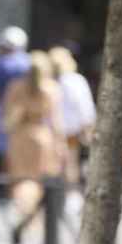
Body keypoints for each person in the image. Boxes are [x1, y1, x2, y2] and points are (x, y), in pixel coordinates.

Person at [4, 50, 66, 214]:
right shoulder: (52, 89)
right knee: (38, 180)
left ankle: (22, 213)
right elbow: (55, 122)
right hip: (42, 136)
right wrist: (60, 144)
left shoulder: (15, 87)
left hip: (20, 136)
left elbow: (10, 120)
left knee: (19, 179)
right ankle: (32, 217)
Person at [0, 26, 31, 171]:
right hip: (29, 116)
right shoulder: (30, 62)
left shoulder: (2, 64)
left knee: (6, 154)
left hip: (5, 112)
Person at [49, 46, 96, 184]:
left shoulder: (50, 81)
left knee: (59, 164)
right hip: (69, 130)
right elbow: (85, 108)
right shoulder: (76, 80)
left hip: (55, 130)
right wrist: (87, 126)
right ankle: (68, 195)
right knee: (70, 163)